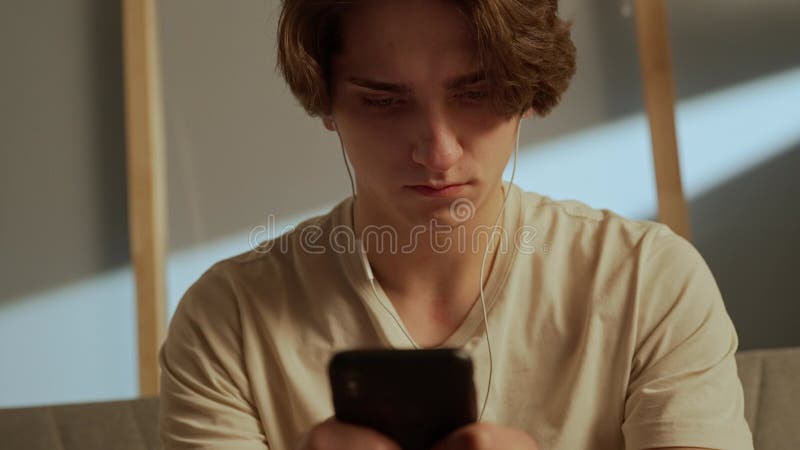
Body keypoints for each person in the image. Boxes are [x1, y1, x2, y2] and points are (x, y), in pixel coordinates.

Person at [158, 1, 754, 449]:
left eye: (478, 93)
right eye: (384, 101)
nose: (438, 153)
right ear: (327, 104)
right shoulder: (229, 318)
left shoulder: (647, 284)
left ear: (527, 91)